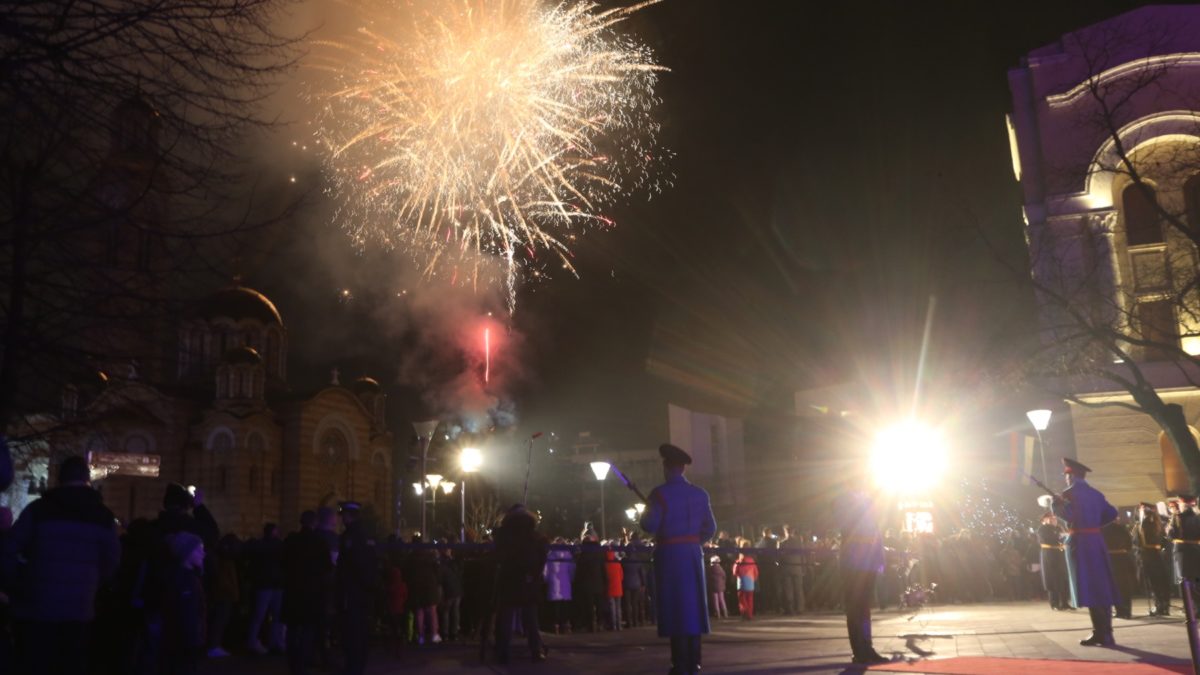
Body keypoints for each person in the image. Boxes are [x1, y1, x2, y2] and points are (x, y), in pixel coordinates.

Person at [3, 455, 121, 675]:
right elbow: (112, 561)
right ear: (88, 480)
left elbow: (9, 550)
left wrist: (19, 584)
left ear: (59, 478)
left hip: (37, 608)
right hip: (81, 608)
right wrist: (92, 584)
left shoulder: (38, 510)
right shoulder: (103, 516)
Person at [639, 443, 717, 675]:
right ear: (683, 468)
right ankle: (694, 662)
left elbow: (649, 525)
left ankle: (679, 663)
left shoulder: (659, 493)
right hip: (692, 554)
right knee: (692, 608)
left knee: (675, 609)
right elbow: (710, 528)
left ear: (666, 467)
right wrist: (693, 542)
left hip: (670, 556)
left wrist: (647, 510)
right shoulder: (700, 493)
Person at [1052, 457, 1120, 647]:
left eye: (1066, 475)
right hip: (1096, 541)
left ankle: (1101, 633)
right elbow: (1112, 513)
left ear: (1070, 475)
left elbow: (1069, 516)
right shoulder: (1095, 493)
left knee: (1090, 588)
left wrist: (1056, 505)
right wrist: (1094, 524)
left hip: (1080, 543)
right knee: (1102, 587)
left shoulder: (1069, 494)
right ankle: (1107, 632)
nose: (1066, 479)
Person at [839, 476, 889, 665]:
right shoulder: (843, 501)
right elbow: (851, 527)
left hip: (866, 562)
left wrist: (879, 559)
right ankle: (860, 650)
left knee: (864, 608)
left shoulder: (867, 502)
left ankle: (867, 648)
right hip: (853, 563)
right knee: (855, 607)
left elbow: (875, 532)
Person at [492, 504, 550, 665]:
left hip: (509, 579)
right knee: (531, 618)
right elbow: (542, 557)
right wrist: (534, 575)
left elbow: (497, 556)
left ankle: (503, 651)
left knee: (505, 617)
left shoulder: (504, 534)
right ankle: (536, 650)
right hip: (529, 581)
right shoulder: (534, 535)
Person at [282, 511, 332, 675]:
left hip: (292, 592)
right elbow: (327, 567)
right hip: (311, 594)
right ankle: (301, 665)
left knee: (292, 630)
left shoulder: (291, 540)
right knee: (307, 631)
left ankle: (292, 665)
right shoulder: (319, 542)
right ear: (314, 523)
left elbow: (282, 561)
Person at [337, 501, 378, 675]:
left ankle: (353, 667)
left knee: (353, 631)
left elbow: (353, 564)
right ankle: (357, 665)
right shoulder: (366, 534)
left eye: (343, 515)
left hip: (353, 590)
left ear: (349, 516)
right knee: (361, 630)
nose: (341, 519)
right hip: (364, 590)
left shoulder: (351, 536)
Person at [161, 532, 206, 675]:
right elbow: (187, 615)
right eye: (198, 550)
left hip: (184, 641)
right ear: (185, 552)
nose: (203, 553)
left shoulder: (189, 577)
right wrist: (194, 638)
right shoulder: (184, 580)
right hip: (183, 643)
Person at [245, 523, 286, 654]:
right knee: (276, 616)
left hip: (264, 585)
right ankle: (274, 643)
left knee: (259, 615)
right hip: (275, 584)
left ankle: (253, 642)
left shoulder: (259, 545)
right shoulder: (280, 546)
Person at [1135, 502, 1171, 616]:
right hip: (1159, 554)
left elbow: (1137, 541)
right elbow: (1165, 541)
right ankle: (1165, 606)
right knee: (1162, 581)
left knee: (1154, 582)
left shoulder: (1142, 524)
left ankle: (1159, 606)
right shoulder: (1158, 522)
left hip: (1148, 555)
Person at [1167, 495, 1200, 616]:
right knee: (1197, 581)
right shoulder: (1197, 518)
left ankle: (1190, 609)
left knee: (1185, 582)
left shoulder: (1178, 518)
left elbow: (1171, 535)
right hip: (1196, 550)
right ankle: (1198, 608)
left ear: (1182, 505)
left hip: (1183, 553)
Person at [1103, 516, 1137, 620]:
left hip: (1110, 559)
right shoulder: (1122, 528)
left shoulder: (1103, 529)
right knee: (1124, 586)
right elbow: (1129, 545)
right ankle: (1127, 611)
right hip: (1123, 558)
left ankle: (1120, 611)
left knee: (1114, 586)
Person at [1037, 512, 1070, 610]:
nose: (1053, 519)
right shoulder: (1042, 529)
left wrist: (1064, 536)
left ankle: (1065, 602)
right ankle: (1054, 603)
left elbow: (1064, 539)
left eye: (1054, 517)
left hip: (1060, 554)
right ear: (1044, 520)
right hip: (1049, 554)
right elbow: (1048, 539)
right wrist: (1060, 536)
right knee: (1052, 579)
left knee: (1063, 578)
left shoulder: (1058, 528)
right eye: (1050, 518)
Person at [543, 537, 574, 634]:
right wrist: (571, 579)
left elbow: (545, 571)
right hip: (565, 582)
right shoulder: (568, 555)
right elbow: (572, 570)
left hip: (554, 583)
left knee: (555, 606)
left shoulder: (550, 555)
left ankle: (555, 625)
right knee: (565, 605)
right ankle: (565, 625)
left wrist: (546, 580)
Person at [778, 524, 806, 614]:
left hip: (786, 568)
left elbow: (779, 558)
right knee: (799, 589)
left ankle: (790, 609)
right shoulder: (799, 542)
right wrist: (803, 567)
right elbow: (803, 555)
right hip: (797, 567)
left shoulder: (781, 543)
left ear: (785, 531)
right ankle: (800, 608)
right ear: (793, 531)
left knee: (788, 589)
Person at [733, 538, 758, 620]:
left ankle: (745, 613)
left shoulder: (739, 561)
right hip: (750, 582)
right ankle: (750, 615)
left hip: (741, 583)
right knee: (750, 599)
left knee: (742, 599)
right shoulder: (752, 561)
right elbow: (756, 572)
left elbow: (735, 572)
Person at [605, 546, 624, 630]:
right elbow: (622, 576)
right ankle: (619, 625)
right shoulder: (618, 564)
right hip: (618, 588)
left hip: (609, 588)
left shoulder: (605, 565)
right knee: (618, 608)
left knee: (612, 608)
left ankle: (614, 625)